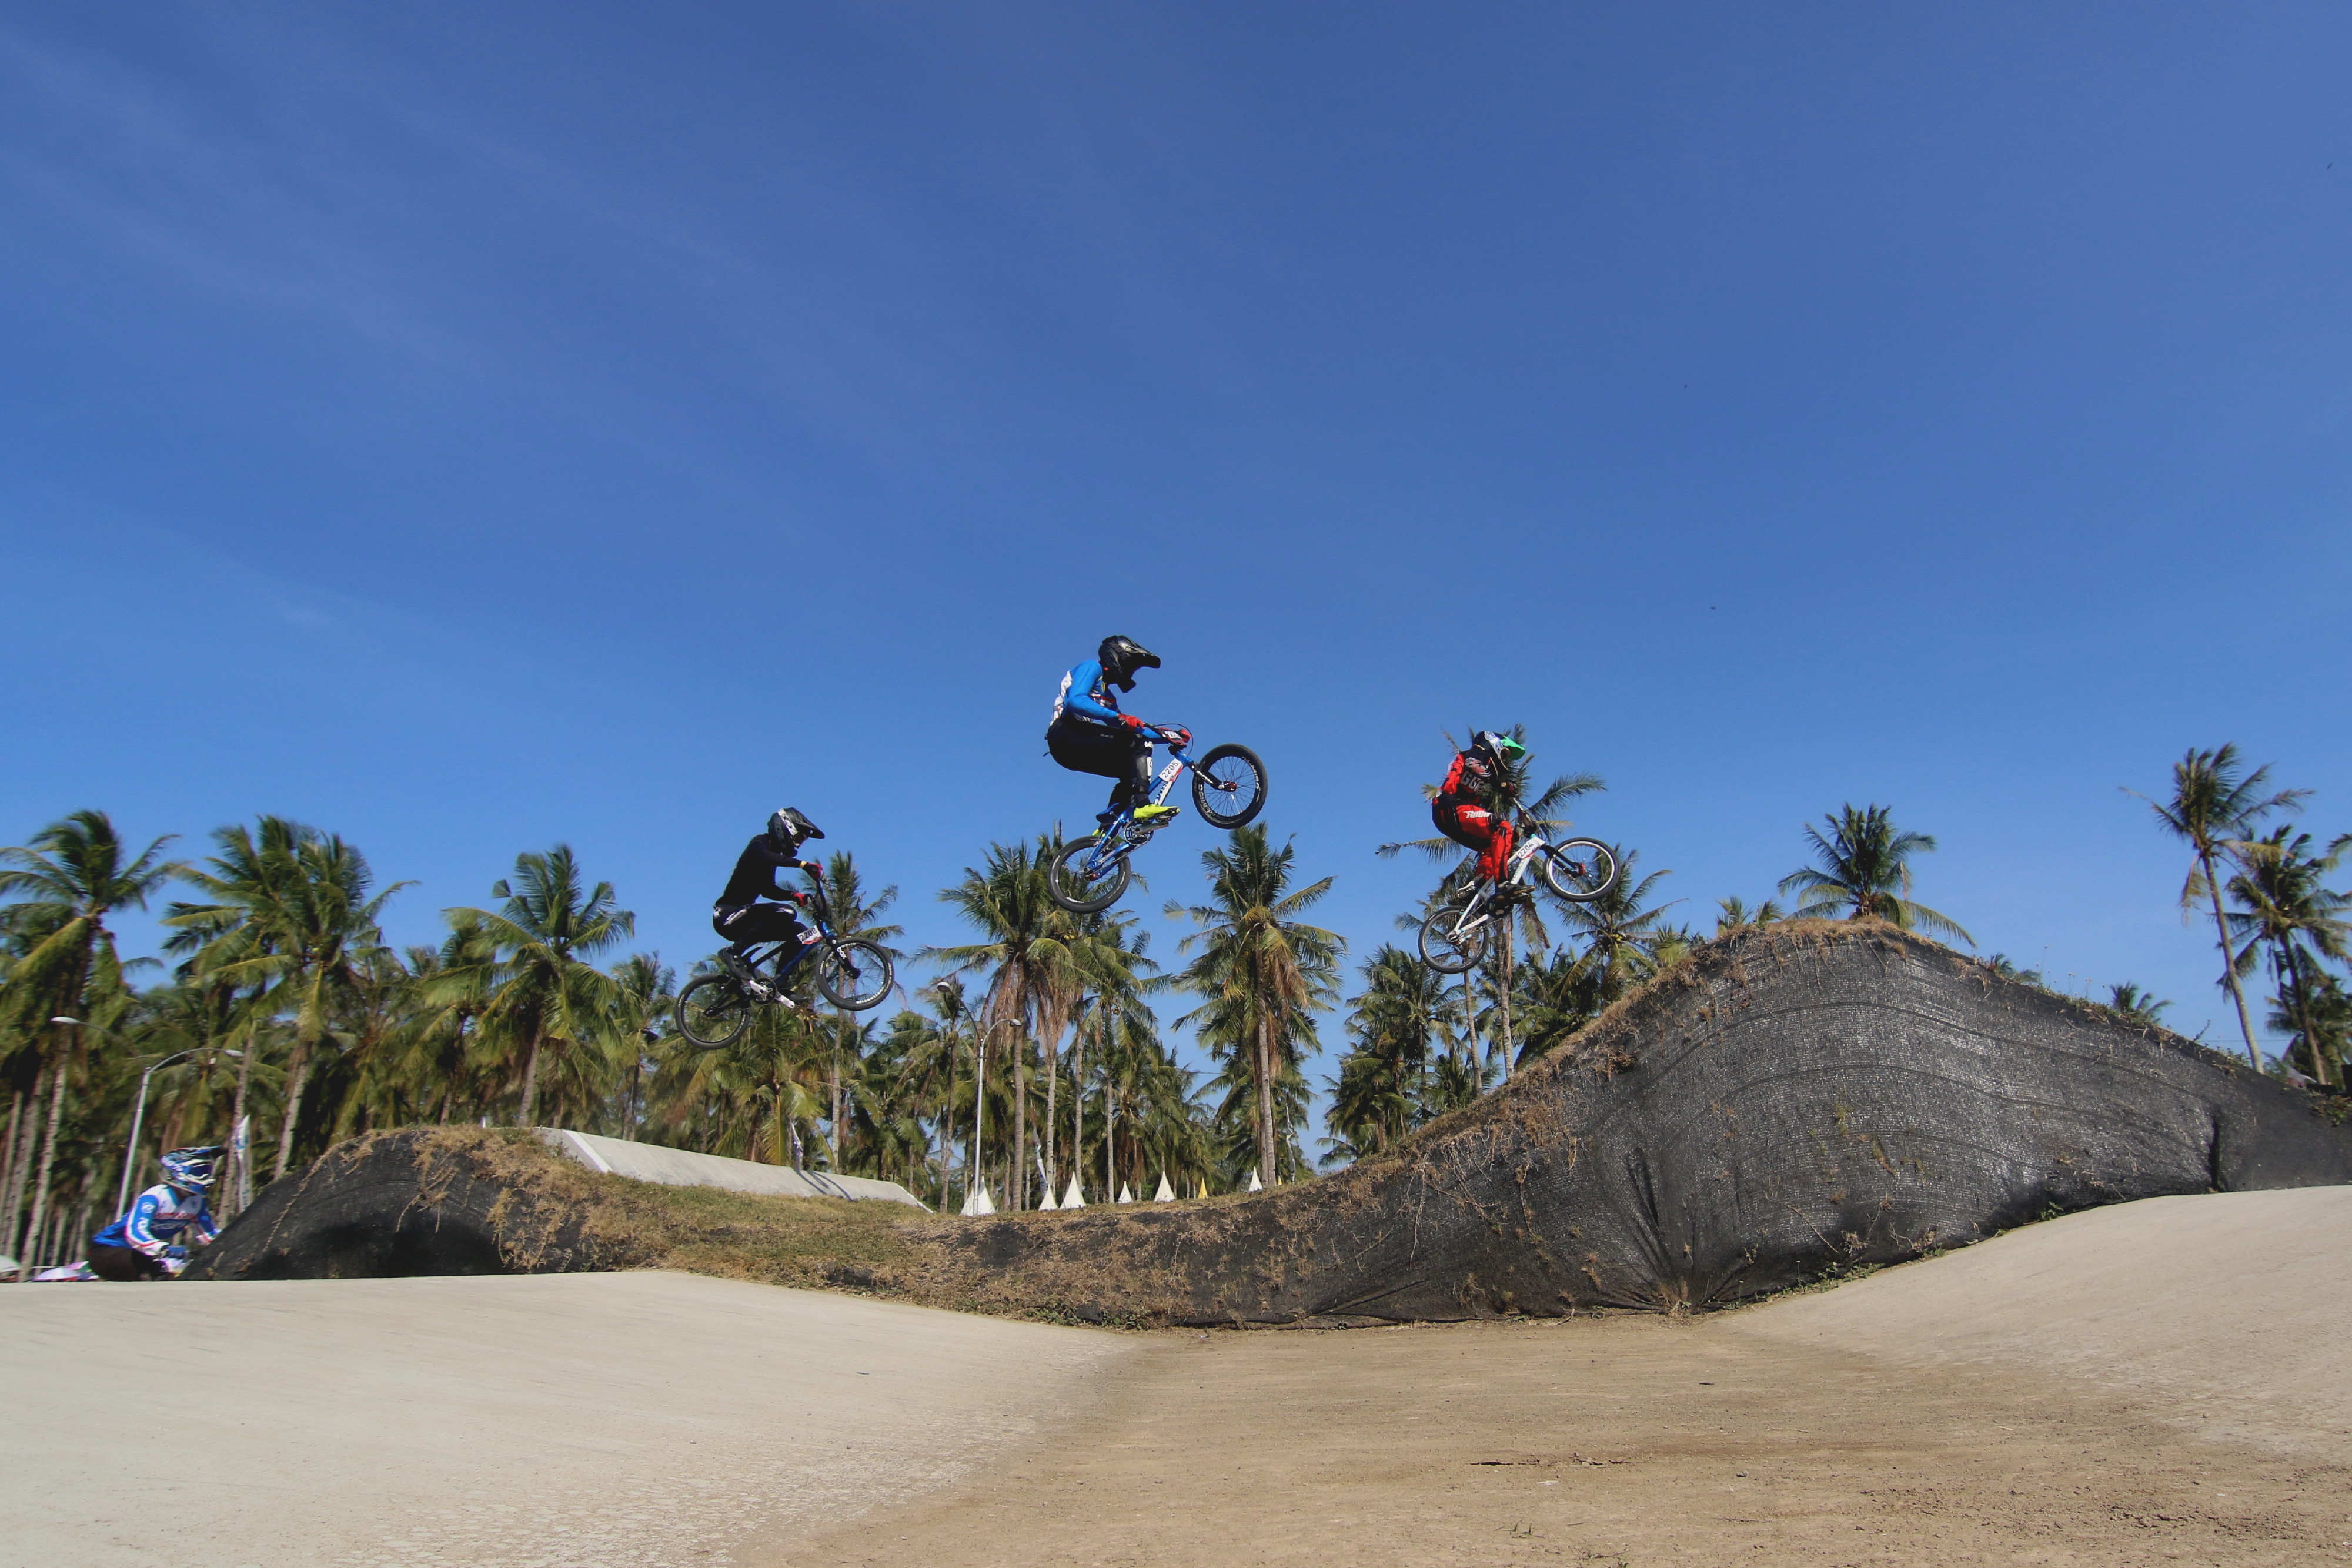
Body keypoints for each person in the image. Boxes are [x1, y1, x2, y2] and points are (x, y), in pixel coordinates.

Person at [1048, 634, 1178, 828]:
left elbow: (1128, 727)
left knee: (1131, 768)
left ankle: (1107, 828)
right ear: (1118, 658)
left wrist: (1168, 737)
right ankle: (1143, 805)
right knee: (1138, 744)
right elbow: (1075, 700)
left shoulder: (1107, 696)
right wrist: (1119, 718)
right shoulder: (1092, 668)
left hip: (1072, 749)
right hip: (1065, 733)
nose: (1132, 672)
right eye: (1132, 666)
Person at [714, 808, 826, 994]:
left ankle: (780, 982)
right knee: (786, 912)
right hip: (727, 914)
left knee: (800, 932)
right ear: (785, 828)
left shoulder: (771, 857)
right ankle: (733, 952)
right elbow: (765, 857)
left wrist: (793, 896)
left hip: (745, 919)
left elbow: (767, 889)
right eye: (798, 838)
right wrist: (803, 865)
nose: (798, 844)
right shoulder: (760, 844)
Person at [88, 1147, 223, 1282]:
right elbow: (135, 1234)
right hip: (106, 1250)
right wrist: (165, 1250)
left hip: (142, 1254)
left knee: (166, 1270)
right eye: (200, 1172)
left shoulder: (197, 1202)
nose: (206, 1178)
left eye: (208, 1172)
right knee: (153, 1270)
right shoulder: (155, 1197)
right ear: (178, 1172)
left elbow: (211, 1237)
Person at [1432, 730, 1528, 883]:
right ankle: (1503, 883)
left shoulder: (1477, 780)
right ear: (1493, 744)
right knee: (1502, 827)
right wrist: (1501, 784)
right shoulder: (1477, 753)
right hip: (1451, 805)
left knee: (1493, 845)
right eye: (1503, 754)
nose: (1503, 759)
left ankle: (1476, 895)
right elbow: (1473, 764)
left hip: (1447, 816)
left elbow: (1477, 812)